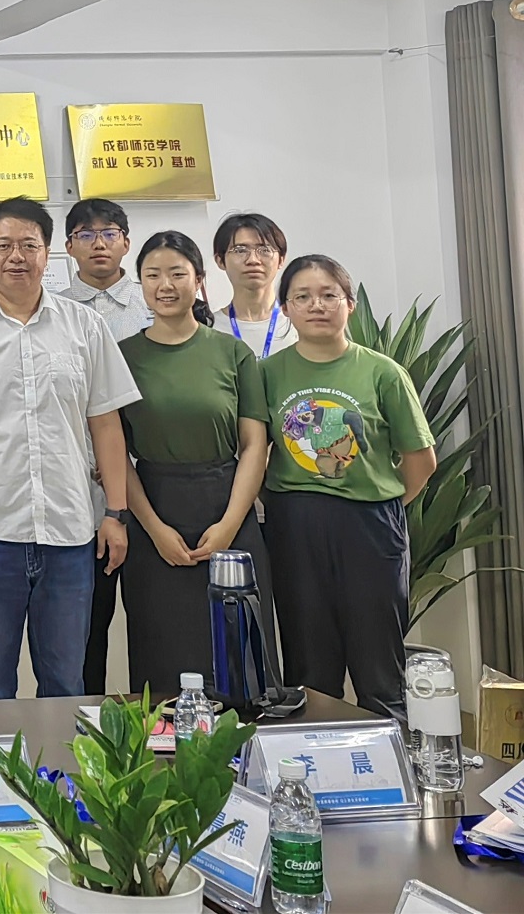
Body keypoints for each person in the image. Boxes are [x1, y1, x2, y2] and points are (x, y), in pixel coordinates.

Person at [0, 197, 141, 700]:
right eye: (3, 246)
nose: (16, 256)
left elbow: (106, 424)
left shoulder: (84, 326)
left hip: (69, 531)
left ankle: (58, 759)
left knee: (65, 684)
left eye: (28, 245)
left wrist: (116, 513)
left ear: (48, 253)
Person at [260, 254, 435, 722]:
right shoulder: (267, 374)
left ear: (349, 304)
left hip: (370, 525)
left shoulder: (383, 372)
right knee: (308, 662)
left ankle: (391, 756)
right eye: (302, 296)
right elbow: (254, 452)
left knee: (378, 661)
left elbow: (420, 460)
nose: (316, 305)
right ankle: (312, 758)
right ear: (286, 308)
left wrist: (380, 504)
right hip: (294, 524)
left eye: (329, 295)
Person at [116, 232, 272, 699]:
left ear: (199, 280)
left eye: (177, 273)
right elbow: (115, 454)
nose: (165, 285)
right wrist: (154, 528)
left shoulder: (232, 353)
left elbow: (254, 445)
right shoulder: (121, 356)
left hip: (228, 507)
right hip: (153, 512)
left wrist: (229, 525)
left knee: (238, 656)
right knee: (162, 655)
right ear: (141, 284)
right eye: (153, 275)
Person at [58, 198, 150, 695]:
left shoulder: (152, 304)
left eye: (109, 233)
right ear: (68, 246)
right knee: (87, 630)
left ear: (126, 243)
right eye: (86, 234)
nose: (99, 243)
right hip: (85, 496)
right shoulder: (52, 312)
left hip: (154, 490)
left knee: (155, 622)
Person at [212, 212, 300, 356]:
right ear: (220, 261)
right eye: (240, 250)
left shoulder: (299, 323)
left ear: (281, 259)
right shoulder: (209, 329)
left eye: (264, 250)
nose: (253, 260)